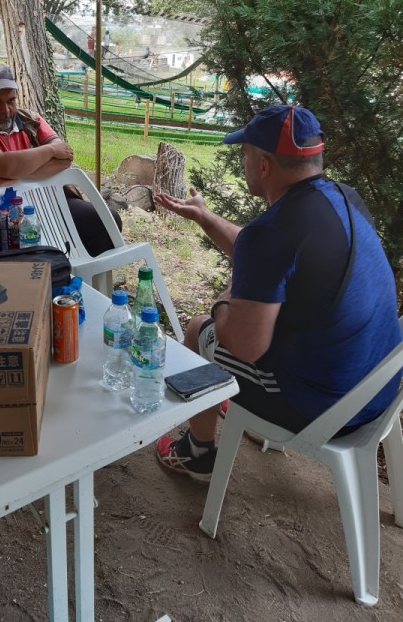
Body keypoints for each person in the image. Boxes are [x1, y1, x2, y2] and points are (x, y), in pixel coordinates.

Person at [154, 105, 402, 482]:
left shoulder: (273, 232)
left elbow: (244, 346)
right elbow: (270, 254)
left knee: (198, 330)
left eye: (245, 154)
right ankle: (244, 410)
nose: (244, 163)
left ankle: (197, 453)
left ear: (263, 165)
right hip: (376, 392)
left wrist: (227, 295)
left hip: (324, 410)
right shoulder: (342, 198)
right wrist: (205, 217)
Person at [0, 63, 122, 257]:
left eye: (11, 100)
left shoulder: (30, 119)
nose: (6, 110)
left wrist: (15, 178)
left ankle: (77, 271)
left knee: (106, 220)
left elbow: (65, 158)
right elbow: (5, 165)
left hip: (44, 201)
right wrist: (50, 150)